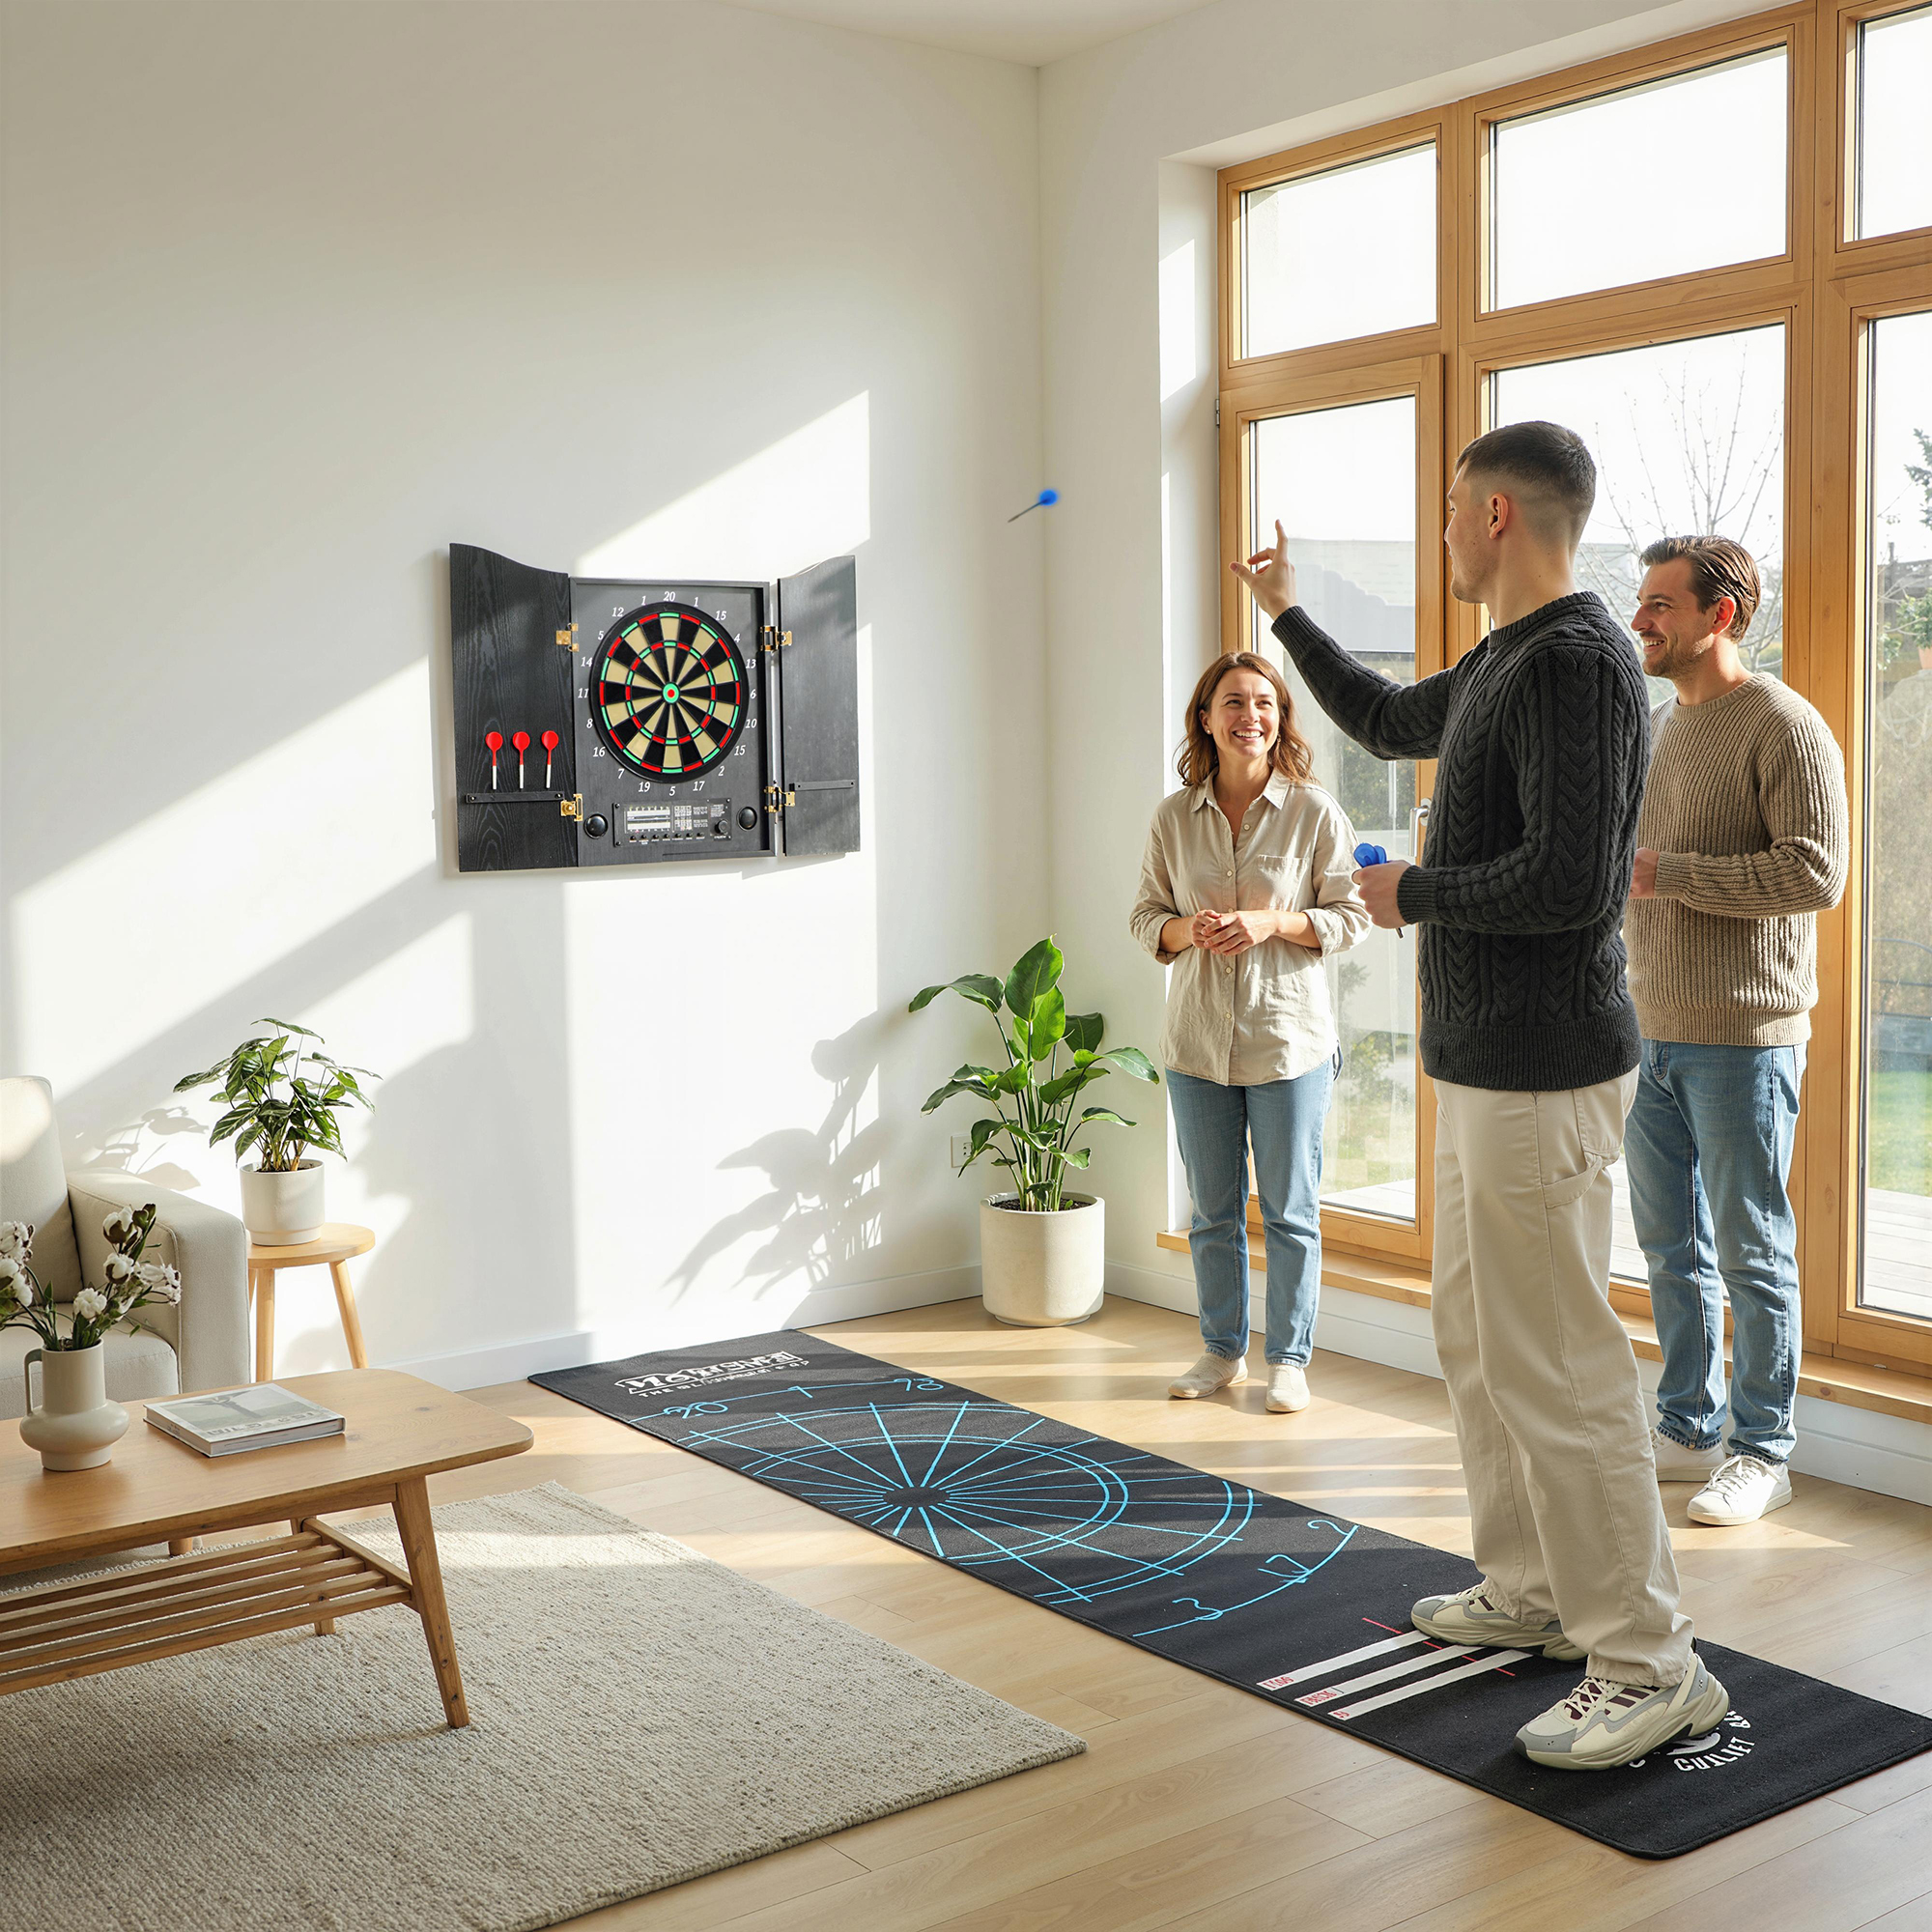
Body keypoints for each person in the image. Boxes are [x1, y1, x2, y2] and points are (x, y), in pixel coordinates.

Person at [1231, 421, 1727, 1773]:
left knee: (1561, 1364)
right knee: (1478, 1341)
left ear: (1498, 515)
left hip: (1548, 1068)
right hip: (1482, 1069)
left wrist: (1414, 892)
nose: (1442, 530)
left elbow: (1572, 884)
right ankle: (1537, 1595)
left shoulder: (1579, 664)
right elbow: (1392, 719)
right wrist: (1285, 614)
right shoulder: (1509, 658)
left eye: (1452, 508)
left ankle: (1650, 1662)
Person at [1624, 536, 1848, 1526]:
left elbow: (1814, 874)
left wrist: (1668, 874)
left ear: (1720, 614)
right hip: (1648, 1032)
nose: (1641, 619)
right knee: (1669, 1247)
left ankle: (1762, 1450)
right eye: (1640, 602)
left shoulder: (1783, 725)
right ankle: (1684, 1426)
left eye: (1661, 604)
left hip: (1745, 1038)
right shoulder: (1658, 727)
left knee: (1750, 1249)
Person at [1130, 651, 1369, 1415]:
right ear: (1206, 717)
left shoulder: (1315, 812)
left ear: (1281, 718)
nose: (1250, 717)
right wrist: (1185, 932)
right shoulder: (1173, 816)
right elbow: (1143, 919)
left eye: (1264, 703)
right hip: (1197, 1043)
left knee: (1292, 1212)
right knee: (1212, 1211)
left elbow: (1353, 915)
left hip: (1287, 1042)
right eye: (1233, 703)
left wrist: (1273, 921)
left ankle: (1288, 1359)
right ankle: (1222, 1351)